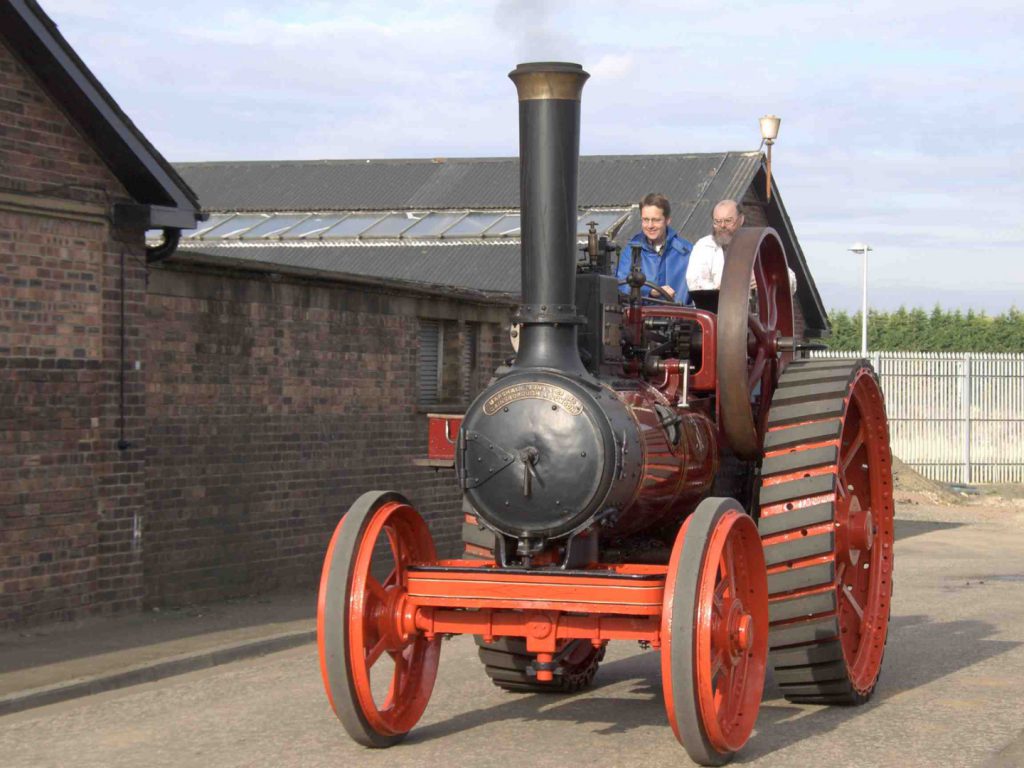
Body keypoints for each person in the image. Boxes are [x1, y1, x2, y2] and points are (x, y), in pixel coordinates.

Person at [687, 199, 797, 294]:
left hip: (756, 315)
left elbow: (791, 281)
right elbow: (695, 282)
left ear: (741, 219)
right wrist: (721, 289)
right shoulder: (704, 246)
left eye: (728, 221)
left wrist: (766, 280)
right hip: (717, 314)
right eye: (717, 221)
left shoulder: (759, 243)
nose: (722, 226)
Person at [616, 193, 693, 304]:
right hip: (641, 318)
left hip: (679, 318)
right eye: (645, 220)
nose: (650, 225)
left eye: (656, 220)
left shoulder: (687, 252)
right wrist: (650, 292)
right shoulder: (631, 250)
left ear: (667, 220)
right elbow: (621, 286)